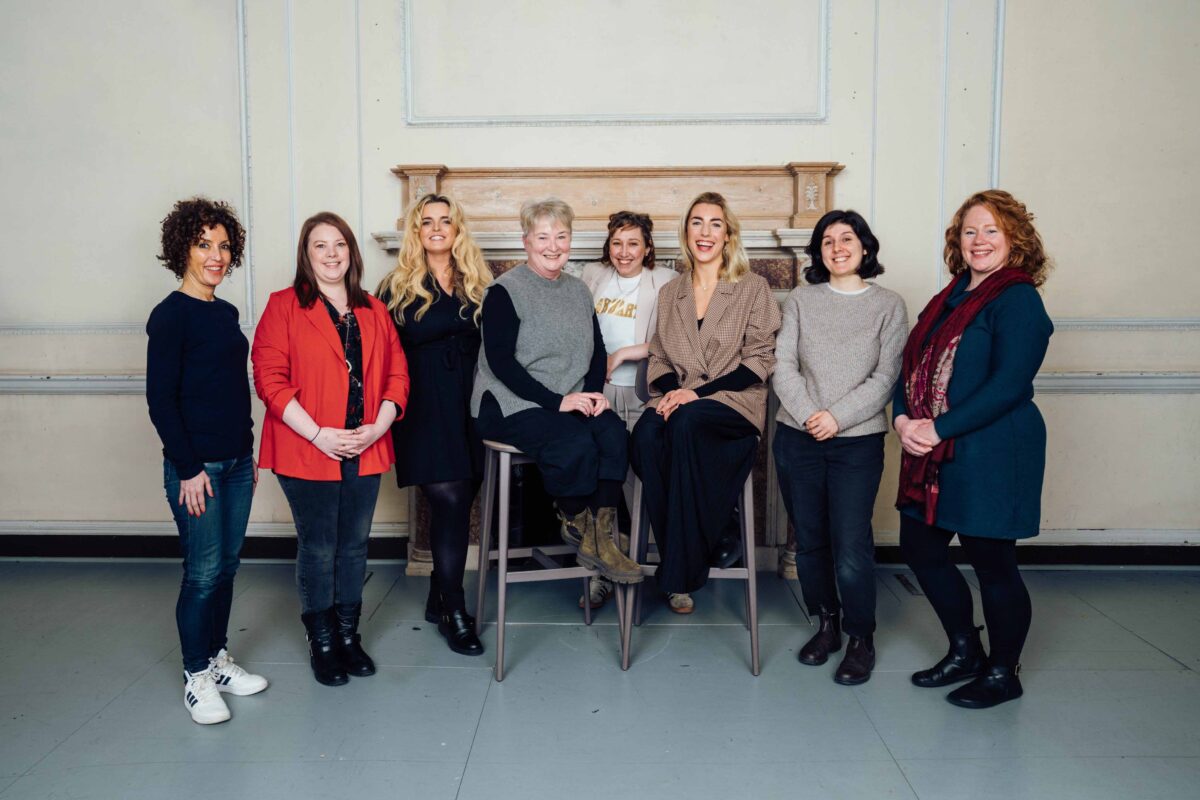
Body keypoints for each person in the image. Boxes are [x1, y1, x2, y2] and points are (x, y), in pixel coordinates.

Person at [894, 189, 1053, 709]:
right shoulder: (949, 297)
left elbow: (1009, 384)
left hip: (993, 449)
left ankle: (1003, 672)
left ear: (1015, 240)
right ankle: (965, 651)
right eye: (969, 231)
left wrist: (937, 429)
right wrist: (902, 418)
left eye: (991, 231)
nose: (978, 240)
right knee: (921, 549)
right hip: (930, 447)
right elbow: (909, 364)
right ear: (957, 241)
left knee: (992, 562)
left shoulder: (1018, 299)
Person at [252, 212, 410, 687]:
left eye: (339, 244)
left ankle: (348, 637)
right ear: (307, 254)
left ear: (351, 251)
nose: (331, 254)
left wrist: (378, 426)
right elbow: (269, 380)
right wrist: (318, 434)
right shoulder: (283, 306)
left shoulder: (373, 310)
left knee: (355, 546)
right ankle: (322, 643)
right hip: (307, 447)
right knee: (320, 548)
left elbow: (399, 375)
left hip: (364, 444)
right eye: (320, 246)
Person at [470, 198, 643, 587]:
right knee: (574, 440)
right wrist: (558, 401)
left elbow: (597, 350)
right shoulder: (504, 290)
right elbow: (501, 363)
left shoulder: (579, 290)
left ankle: (601, 538)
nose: (553, 246)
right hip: (510, 401)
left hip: (570, 397)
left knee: (612, 433)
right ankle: (577, 523)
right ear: (526, 241)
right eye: (543, 237)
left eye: (561, 236)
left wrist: (596, 393)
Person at [772, 209, 907, 685]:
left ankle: (860, 637)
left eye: (846, 238)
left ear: (865, 247)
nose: (837, 247)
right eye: (827, 241)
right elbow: (782, 363)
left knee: (850, 545)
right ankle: (826, 624)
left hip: (857, 442)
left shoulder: (888, 305)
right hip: (797, 436)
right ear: (819, 251)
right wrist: (812, 415)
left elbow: (887, 375)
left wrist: (837, 417)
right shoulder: (801, 301)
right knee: (809, 541)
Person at [630, 192, 781, 614]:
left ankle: (679, 572)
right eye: (697, 222)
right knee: (644, 436)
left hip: (733, 403)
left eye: (715, 224)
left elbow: (760, 360)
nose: (705, 232)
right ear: (686, 232)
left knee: (685, 424)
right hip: (679, 401)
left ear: (728, 234)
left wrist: (693, 394)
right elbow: (658, 356)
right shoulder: (671, 292)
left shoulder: (752, 288)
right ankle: (702, 543)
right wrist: (667, 396)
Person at [147, 198, 268, 725]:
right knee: (201, 575)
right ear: (183, 250)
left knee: (226, 569)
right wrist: (190, 467)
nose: (216, 256)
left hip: (238, 462)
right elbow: (161, 400)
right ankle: (195, 674)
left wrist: (248, 449)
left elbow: (226, 392)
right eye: (204, 245)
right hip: (197, 469)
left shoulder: (224, 314)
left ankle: (217, 660)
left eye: (223, 246)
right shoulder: (170, 315)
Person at [376, 194, 489, 656]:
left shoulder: (478, 283)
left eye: (446, 221)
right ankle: (454, 611)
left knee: (461, 499)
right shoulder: (395, 286)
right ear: (416, 232)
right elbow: (380, 355)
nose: (437, 228)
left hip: (471, 404)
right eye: (427, 222)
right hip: (421, 405)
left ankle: (436, 596)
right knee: (451, 496)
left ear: (458, 229)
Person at [578, 211, 677, 610]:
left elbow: (675, 337)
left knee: (652, 485)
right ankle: (602, 573)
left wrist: (622, 354)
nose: (624, 252)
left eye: (633, 243)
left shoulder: (666, 281)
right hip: (598, 397)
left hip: (644, 394)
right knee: (602, 487)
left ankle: (674, 575)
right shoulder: (590, 276)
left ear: (647, 247)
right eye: (617, 243)